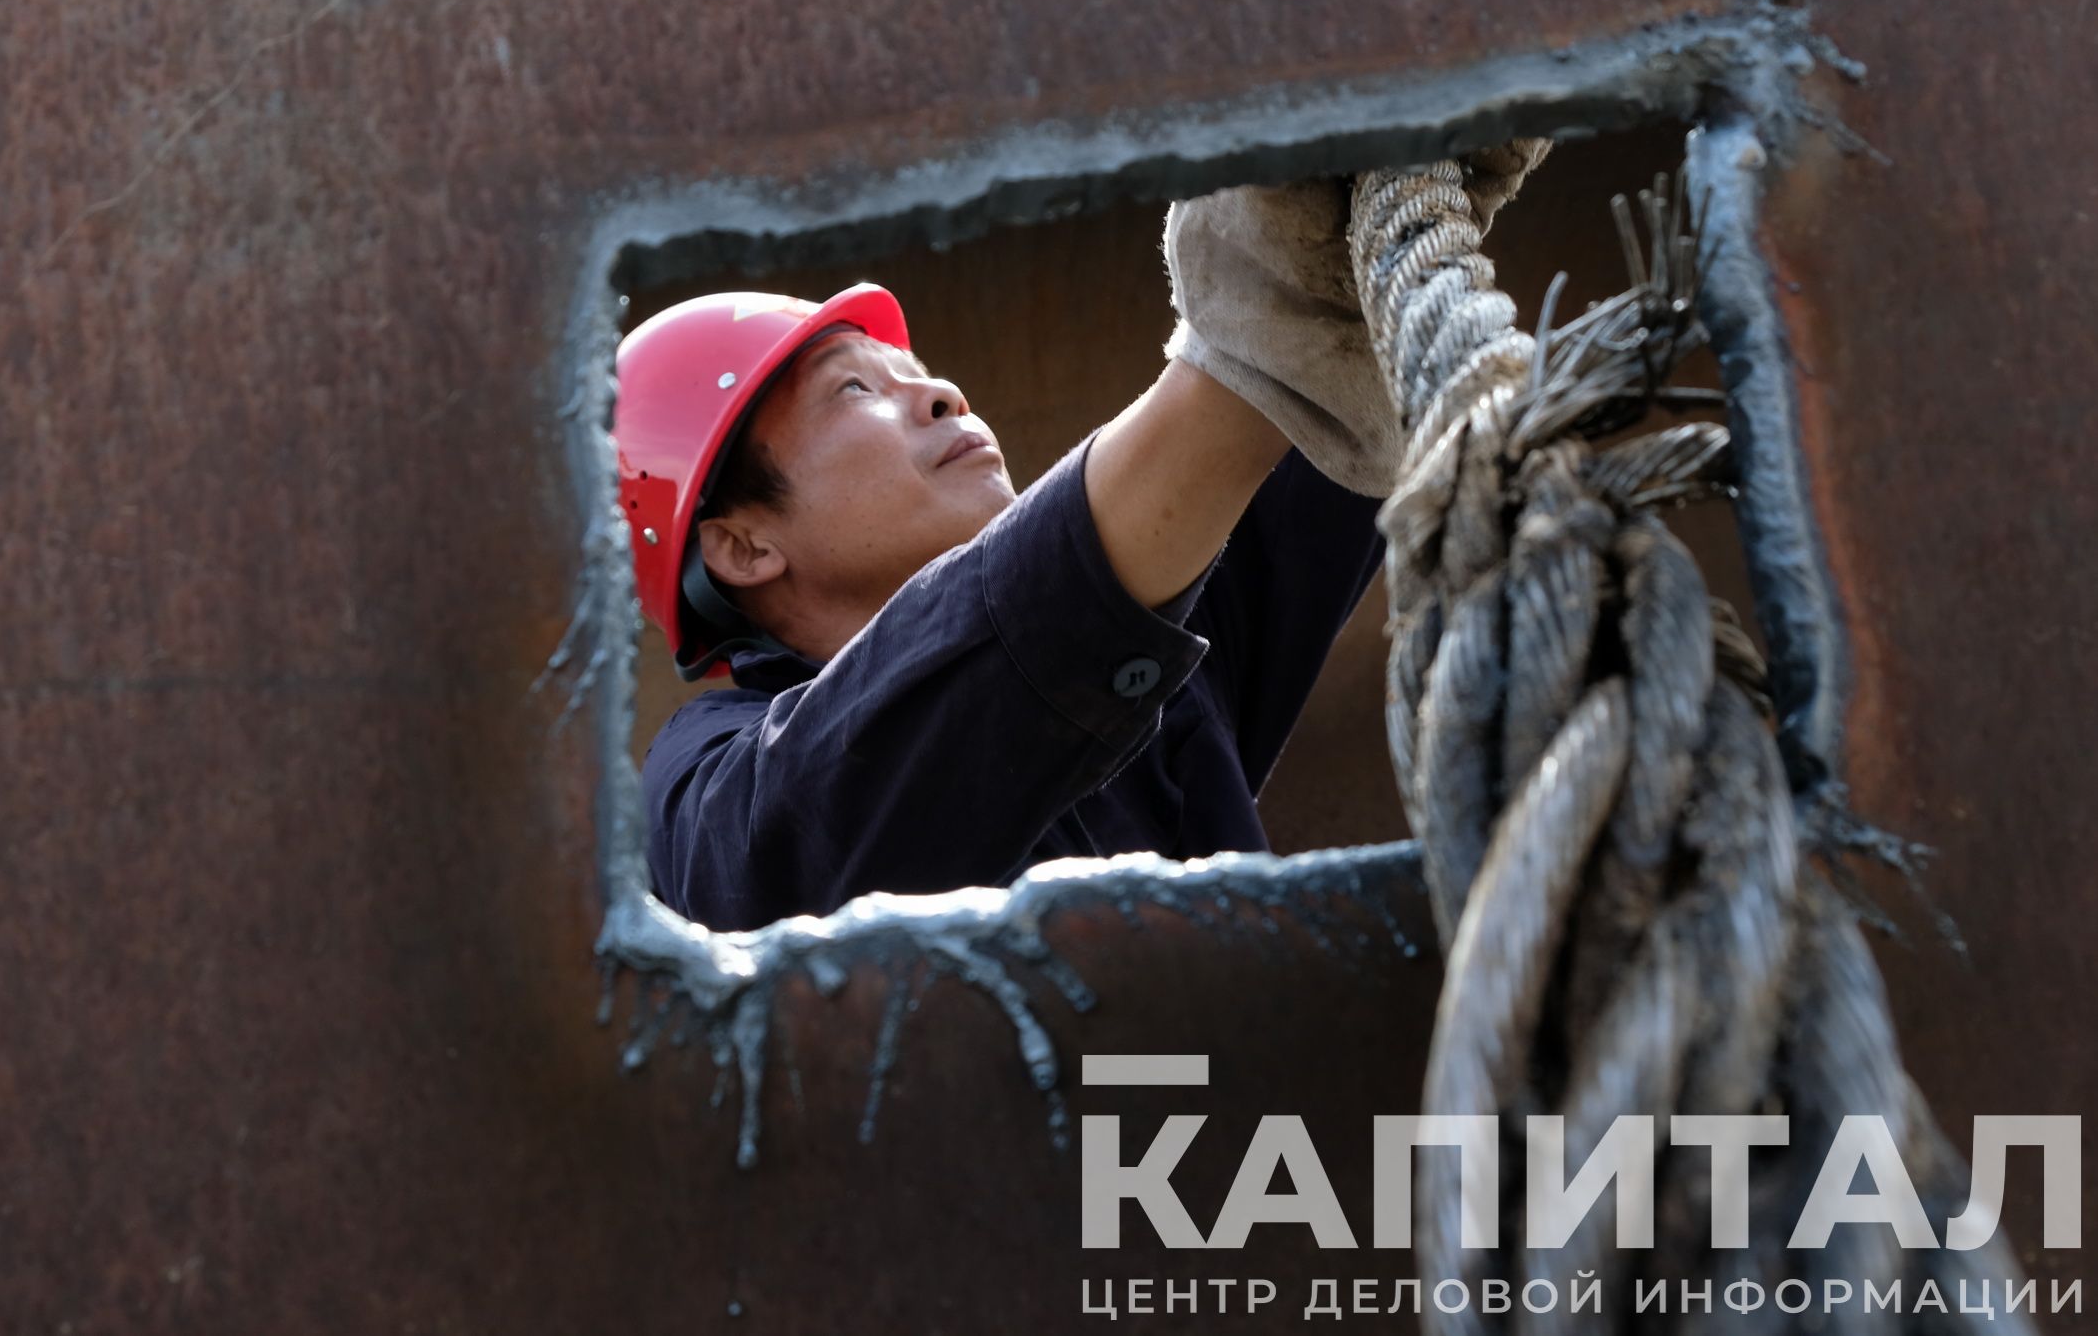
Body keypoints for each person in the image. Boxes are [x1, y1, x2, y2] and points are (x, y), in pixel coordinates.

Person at [611, 149, 1549, 932]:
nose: (942, 396)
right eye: (855, 390)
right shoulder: (705, 784)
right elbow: (814, 829)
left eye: (921, 371)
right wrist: (1246, 342)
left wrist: (1375, 217)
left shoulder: (1163, 669)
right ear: (740, 547)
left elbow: (1295, 417)